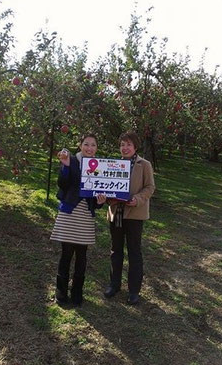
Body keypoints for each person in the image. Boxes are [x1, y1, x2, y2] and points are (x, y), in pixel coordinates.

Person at [51, 133, 106, 307]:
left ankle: (77, 293)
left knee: (82, 256)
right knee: (66, 254)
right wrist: (65, 167)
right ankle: (61, 293)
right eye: (86, 144)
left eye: (93, 145)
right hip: (69, 214)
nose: (90, 148)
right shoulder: (72, 160)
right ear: (80, 145)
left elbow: (96, 199)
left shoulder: (100, 166)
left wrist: (100, 202)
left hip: (85, 217)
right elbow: (62, 184)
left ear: (97, 148)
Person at [104, 131, 155, 305]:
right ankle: (114, 284)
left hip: (134, 215)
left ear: (135, 147)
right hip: (116, 213)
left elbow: (150, 188)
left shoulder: (144, 165)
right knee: (115, 250)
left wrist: (137, 199)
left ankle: (134, 290)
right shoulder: (113, 164)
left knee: (134, 252)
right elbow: (106, 185)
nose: (125, 148)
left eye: (128, 145)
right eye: (122, 145)